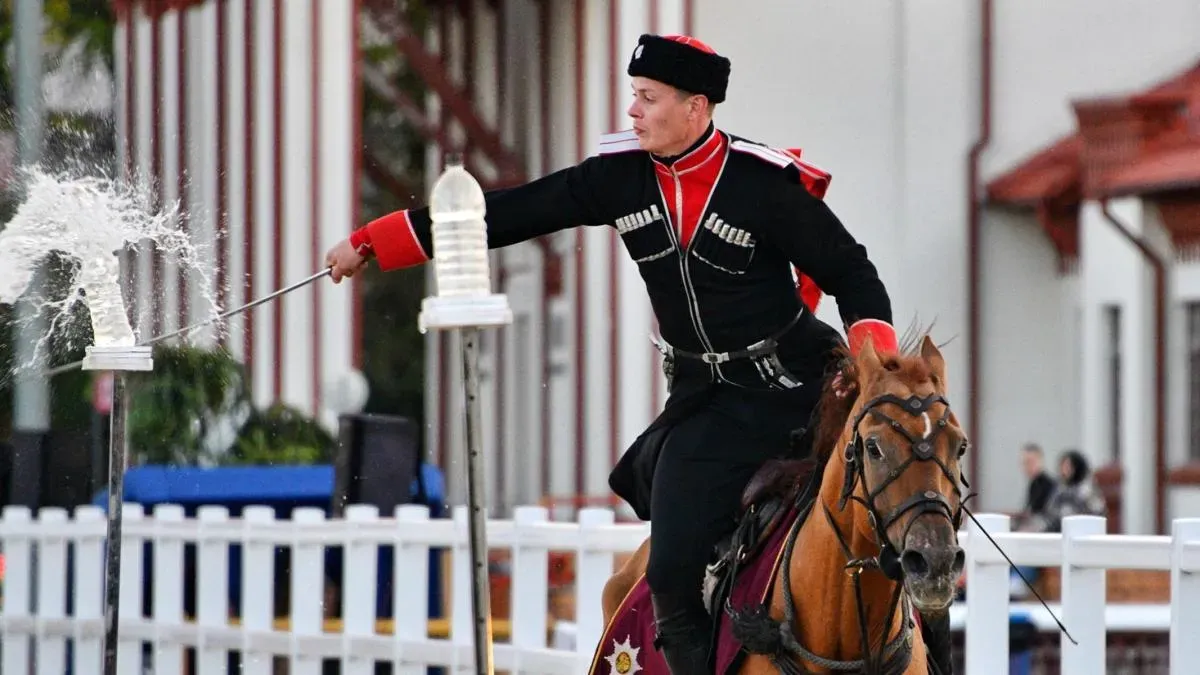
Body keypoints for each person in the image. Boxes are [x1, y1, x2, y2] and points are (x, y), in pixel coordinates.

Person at [325, 33, 898, 673]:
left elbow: (853, 274)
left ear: (695, 107)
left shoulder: (763, 185)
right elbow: (511, 212)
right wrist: (375, 242)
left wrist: (875, 370)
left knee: (904, 522)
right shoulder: (619, 178)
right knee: (672, 571)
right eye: (634, 95)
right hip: (710, 406)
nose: (632, 110)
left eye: (648, 98)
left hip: (805, 390)